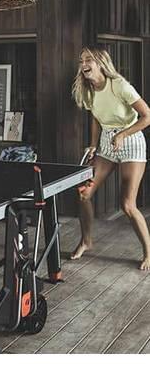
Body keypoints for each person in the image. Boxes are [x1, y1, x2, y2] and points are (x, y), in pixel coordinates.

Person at [71, 45, 150, 271]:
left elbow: (147, 116)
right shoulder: (87, 90)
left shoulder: (120, 85)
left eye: (88, 60)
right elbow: (96, 118)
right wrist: (94, 144)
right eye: (81, 60)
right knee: (84, 194)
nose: (83, 64)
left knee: (127, 205)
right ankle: (87, 241)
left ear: (100, 63)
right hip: (107, 141)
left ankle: (148, 252)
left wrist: (123, 134)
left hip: (131, 140)